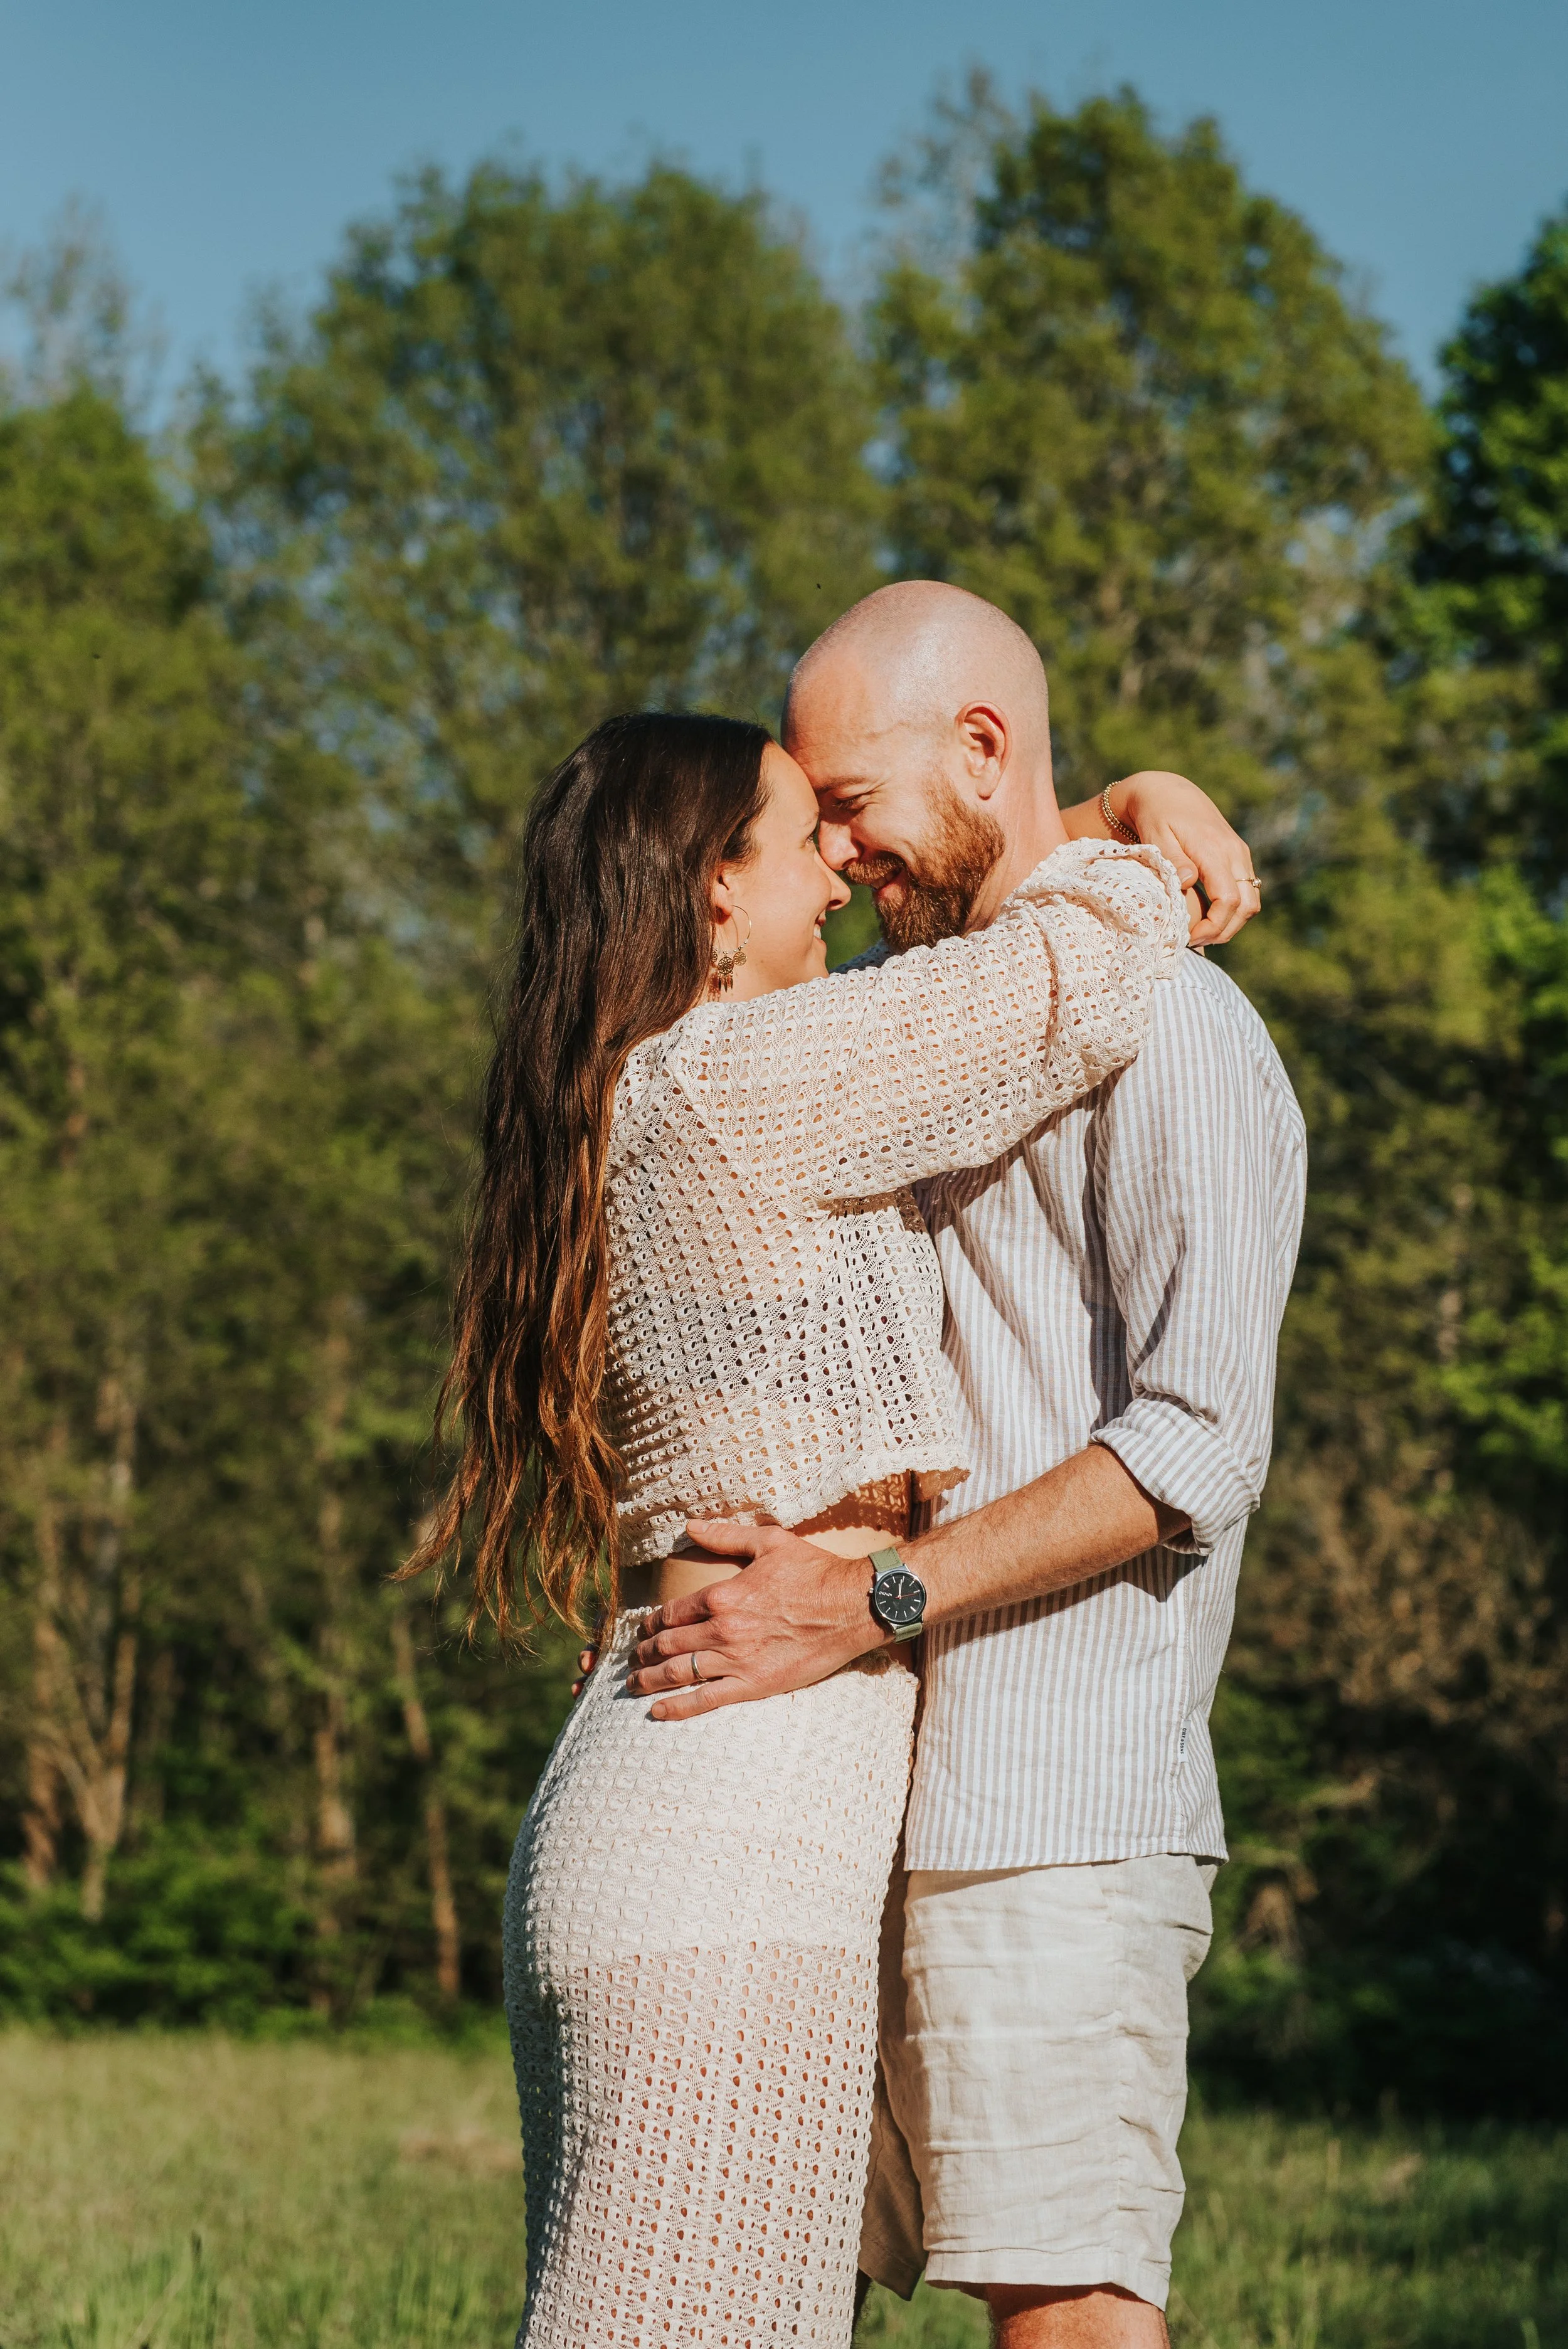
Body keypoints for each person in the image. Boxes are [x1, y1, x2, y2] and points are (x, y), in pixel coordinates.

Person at [407, 687, 1248, 2347]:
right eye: (806, 844)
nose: (843, 882)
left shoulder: (652, 1081)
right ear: (714, 888)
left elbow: (974, 981)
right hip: (733, 1818)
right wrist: (1139, 815)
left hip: (693, 1783)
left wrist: (1078, 821)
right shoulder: (736, 1075)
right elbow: (1056, 987)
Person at [627, 582, 1308, 2348]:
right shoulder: (923, 1034)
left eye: (849, 805)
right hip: (841, 1798)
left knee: (1061, 2313)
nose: (836, 859)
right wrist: (1118, 814)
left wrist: (876, 1594)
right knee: (772, 2302)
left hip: (1052, 1818)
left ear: (980, 752)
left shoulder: (1176, 1039)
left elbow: (1191, 1444)